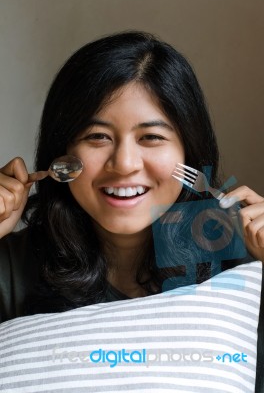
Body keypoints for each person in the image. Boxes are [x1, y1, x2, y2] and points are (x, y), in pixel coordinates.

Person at [0, 31, 263, 371]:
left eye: (151, 137)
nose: (124, 164)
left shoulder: (244, 269)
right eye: (98, 137)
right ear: (60, 157)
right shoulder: (11, 267)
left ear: (190, 155)